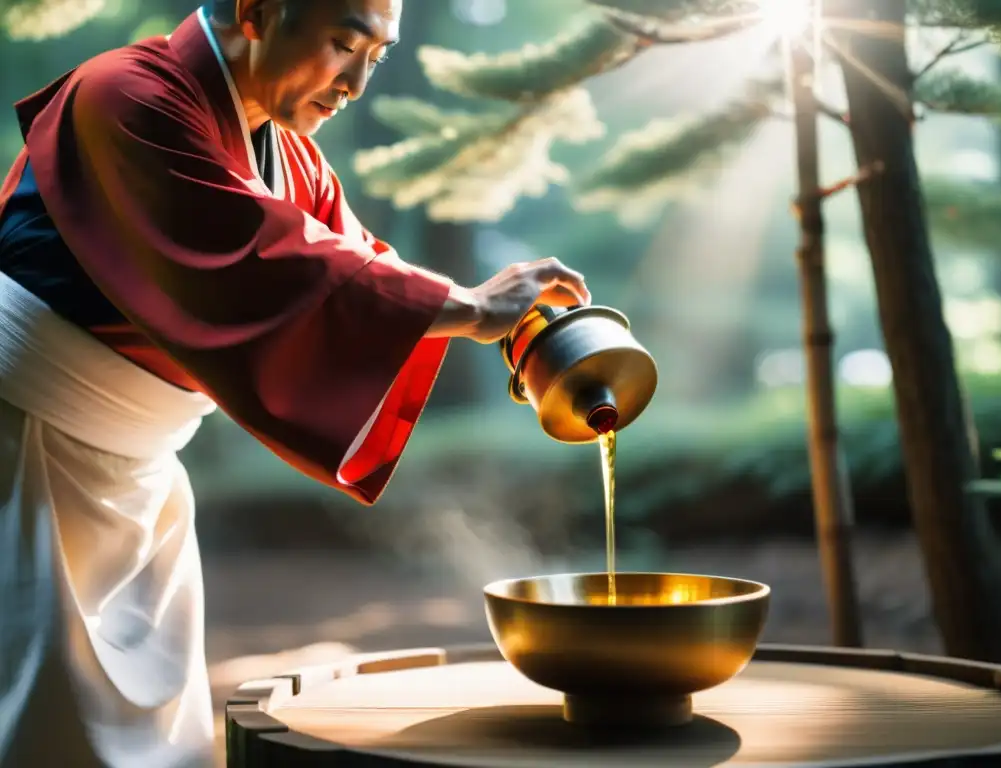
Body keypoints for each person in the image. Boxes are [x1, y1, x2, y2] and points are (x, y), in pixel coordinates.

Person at [0, 1, 591, 765]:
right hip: (26, 440)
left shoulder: (293, 157)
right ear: (257, 10)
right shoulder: (124, 93)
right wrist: (469, 307)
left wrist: (513, 324)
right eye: (345, 44)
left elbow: (359, 265)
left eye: (375, 60)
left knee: (156, 733)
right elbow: (267, 256)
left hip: (139, 469)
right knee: (46, 721)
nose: (354, 83)